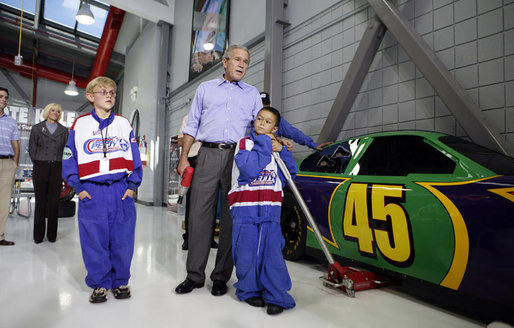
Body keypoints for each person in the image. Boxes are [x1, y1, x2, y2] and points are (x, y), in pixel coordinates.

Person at [62, 76, 143, 303]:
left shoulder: (124, 123)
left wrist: (132, 185)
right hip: (92, 190)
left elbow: (135, 157)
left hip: (120, 189)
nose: (109, 95)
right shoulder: (80, 124)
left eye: (112, 92)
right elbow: (69, 157)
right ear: (90, 97)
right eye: (103, 92)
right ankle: (99, 283)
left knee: (122, 238)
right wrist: (78, 187)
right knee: (94, 239)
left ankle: (120, 281)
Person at [228, 106, 297, 315]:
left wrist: (282, 151)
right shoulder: (245, 144)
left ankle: (276, 295)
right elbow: (249, 169)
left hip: (270, 208)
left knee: (272, 254)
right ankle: (249, 291)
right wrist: (266, 143)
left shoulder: (278, 148)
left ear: (275, 128)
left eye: (267, 122)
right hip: (245, 208)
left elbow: (290, 173)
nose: (261, 123)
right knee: (246, 252)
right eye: (259, 119)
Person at [29, 103, 69, 244]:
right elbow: (32, 150)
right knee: (40, 201)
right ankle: (38, 235)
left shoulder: (64, 131)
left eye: (58, 111)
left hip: (57, 167)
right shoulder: (37, 128)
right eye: (52, 110)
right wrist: (41, 162)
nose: (55, 113)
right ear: (47, 112)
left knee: (54, 202)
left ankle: (52, 235)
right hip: (40, 165)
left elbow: (66, 151)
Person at [177, 114, 218, 251]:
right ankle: (188, 237)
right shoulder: (189, 117)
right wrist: (197, 136)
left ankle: (210, 237)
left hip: (213, 159)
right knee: (192, 199)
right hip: (194, 158)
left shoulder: (215, 116)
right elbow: (180, 141)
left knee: (212, 199)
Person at [260, 91, 332, 152]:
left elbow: (293, 133)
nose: (263, 105)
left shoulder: (277, 119)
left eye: (265, 103)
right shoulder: (251, 120)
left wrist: (313, 145)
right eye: (260, 103)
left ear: (269, 104)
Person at [0, 87, 19, 246]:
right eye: (1, 96)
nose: (4, 99)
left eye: (6, 97)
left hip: (7, 163)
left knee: (4, 202)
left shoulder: (11, 122)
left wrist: (14, 163)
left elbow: (15, 144)